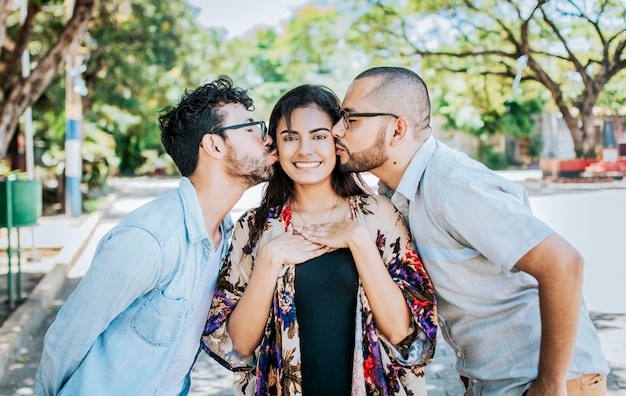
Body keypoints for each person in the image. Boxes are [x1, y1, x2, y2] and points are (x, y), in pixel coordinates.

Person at [329, 66, 610, 396]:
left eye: (351, 119)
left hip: (549, 381)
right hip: (496, 383)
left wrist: (550, 384)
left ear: (397, 130)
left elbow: (563, 263)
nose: (336, 130)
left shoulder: (453, 185)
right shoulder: (394, 195)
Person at [35, 75, 278, 395]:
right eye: (250, 128)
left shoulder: (226, 237)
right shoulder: (151, 238)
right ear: (214, 145)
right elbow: (67, 338)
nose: (268, 139)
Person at [202, 84, 437, 395]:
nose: (304, 150)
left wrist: (359, 242)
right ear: (276, 146)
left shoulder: (377, 214)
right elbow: (239, 346)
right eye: (290, 138)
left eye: (318, 136)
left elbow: (402, 335)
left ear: (337, 141)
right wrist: (270, 260)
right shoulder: (254, 228)